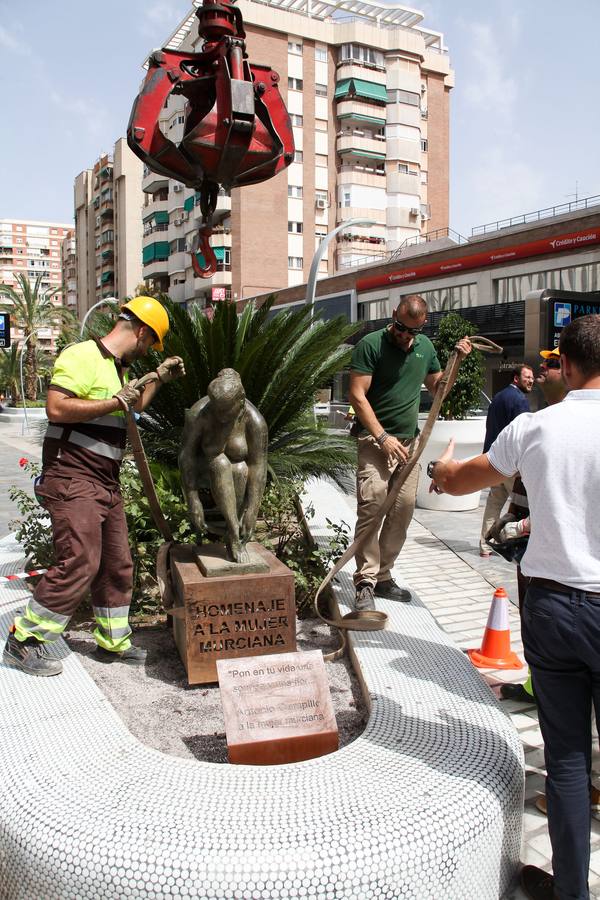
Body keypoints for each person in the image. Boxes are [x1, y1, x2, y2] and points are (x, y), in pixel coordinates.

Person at [429, 314, 600, 900]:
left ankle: (571, 891)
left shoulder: (534, 427)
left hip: (553, 604)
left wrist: (440, 468)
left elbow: (459, 482)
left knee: (569, 762)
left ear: (568, 367)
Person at [3, 296, 186, 677]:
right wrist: (112, 402)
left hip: (105, 481)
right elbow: (57, 407)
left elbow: (131, 408)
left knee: (117, 564)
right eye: (151, 344)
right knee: (80, 560)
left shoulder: (117, 370)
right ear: (141, 331)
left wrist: (158, 379)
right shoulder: (82, 356)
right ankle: (23, 643)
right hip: (73, 477)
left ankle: (112, 641)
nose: (149, 350)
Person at [348, 294, 471, 611]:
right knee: (373, 501)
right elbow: (357, 395)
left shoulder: (425, 348)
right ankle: (365, 580)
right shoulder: (371, 344)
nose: (404, 335)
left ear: (422, 325)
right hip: (374, 441)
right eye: (400, 327)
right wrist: (382, 436)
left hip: (409, 444)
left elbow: (439, 389)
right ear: (394, 315)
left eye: (411, 331)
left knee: (402, 510)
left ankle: (384, 577)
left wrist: (456, 362)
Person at [179, 368, 268, 564]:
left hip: (237, 476)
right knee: (219, 463)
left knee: (240, 469)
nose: (219, 417)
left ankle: (234, 534)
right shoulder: (199, 414)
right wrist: (192, 498)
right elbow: (187, 457)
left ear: (241, 401)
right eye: (216, 409)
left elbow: (259, 465)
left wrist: (253, 511)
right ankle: (234, 533)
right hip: (206, 474)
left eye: (225, 411)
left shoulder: (255, 421)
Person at [479, 363, 534, 556]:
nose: (531, 380)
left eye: (532, 378)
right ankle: (518, 546)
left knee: (494, 503)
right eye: (527, 377)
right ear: (516, 378)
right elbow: (522, 436)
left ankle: (485, 546)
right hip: (512, 465)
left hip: (494, 463)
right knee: (524, 506)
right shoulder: (520, 401)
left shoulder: (498, 397)